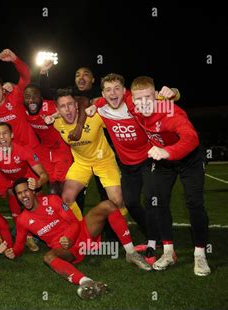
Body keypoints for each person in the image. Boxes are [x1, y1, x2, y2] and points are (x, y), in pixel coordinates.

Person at [0, 178, 151, 299]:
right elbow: (19, 246)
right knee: (48, 257)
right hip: (66, 249)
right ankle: (86, 282)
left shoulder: (52, 200)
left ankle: (131, 253)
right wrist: (11, 251)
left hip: (81, 232)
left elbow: (73, 221)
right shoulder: (22, 220)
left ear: (32, 191)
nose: (23, 196)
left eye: (25, 191)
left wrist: (69, 237)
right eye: (19, 194)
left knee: (108, 205)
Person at [86, 74, 178, 261]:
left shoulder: (135, 102)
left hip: (148, 158)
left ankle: (157, 240)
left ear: (125, 90)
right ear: (103, 93)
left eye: (117, 88)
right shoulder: (101, 108)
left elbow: (166, 97)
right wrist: (94, 104)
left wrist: (174, 92)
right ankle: (152, 233)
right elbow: (97, 101)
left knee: (152, 198)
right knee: (131, 202)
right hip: (127, 165)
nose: (113, 93)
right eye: (108, 90)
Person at [128, 76, 210, 276]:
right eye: (138, 99)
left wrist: (168, 152)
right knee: (157, 201)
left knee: (194, 202)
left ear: (156, 96)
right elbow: (110, 96)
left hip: (189, 158)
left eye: (148, 97)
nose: (144, 103)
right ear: (133, 99)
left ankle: (200, 254)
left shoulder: (170, 112)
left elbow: (191, 138)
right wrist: (95, 105)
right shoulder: (133, 106)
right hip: (164, 160)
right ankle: (168, 251)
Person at [0, 122, 50, 252]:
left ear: (12, 135)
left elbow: (43, 174)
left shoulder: (24, 150)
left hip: (23, 177)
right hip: (4, 178)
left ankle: (30, 234)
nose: (2, 137)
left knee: (32, 202)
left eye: (5, 133)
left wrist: (38, 183)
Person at [53, 89, 125, 219]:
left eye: (70, 104)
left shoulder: (93, 116)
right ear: (57, 110)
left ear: (76, 105)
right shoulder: (57, 123)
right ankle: (81, 231)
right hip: (82, 164)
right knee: (66, 198)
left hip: (104, 161)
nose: (67, 109)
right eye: (63, 106)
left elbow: (116, 118)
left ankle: (123, 234)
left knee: (117, 201)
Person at [23, 83, 72, 195]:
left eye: (35, 96)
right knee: (50, 182)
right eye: (27, 97)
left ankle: (64, 210)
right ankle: (55, 209)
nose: (31, 100)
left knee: (59, 187)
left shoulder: (50, 106)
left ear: (41, 98)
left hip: (61, 147)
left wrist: (56, 115)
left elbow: (70, 108)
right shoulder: (23, 110)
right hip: (44, 149)